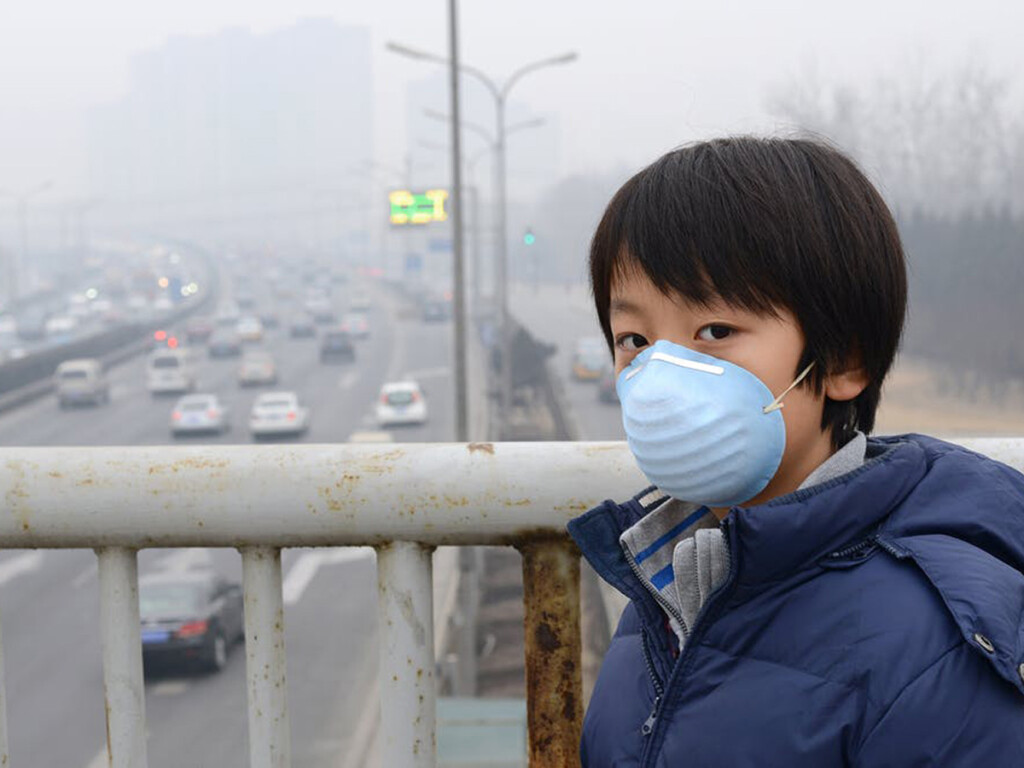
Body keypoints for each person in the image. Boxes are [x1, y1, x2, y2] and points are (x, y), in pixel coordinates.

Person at [567, 136, 1024, 766]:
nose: (659, 375)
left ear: (843, 359)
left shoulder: (933, 650)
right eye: (634, 339)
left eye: (715, 331)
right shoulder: (667, 592)